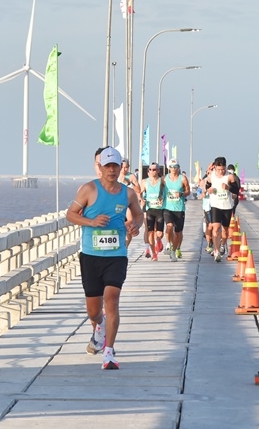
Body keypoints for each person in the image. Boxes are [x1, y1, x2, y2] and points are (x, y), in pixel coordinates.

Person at [67, 146, 143, 370]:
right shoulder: (89, 189)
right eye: (107, 166)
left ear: (121, 168)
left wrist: (135, 225)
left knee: (112, 298)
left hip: (116, 254)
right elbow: (70, 214)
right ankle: (99, 326)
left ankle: (108, 351)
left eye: (115, 166)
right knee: (93, 310)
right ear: (100, 167)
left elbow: (138, 214)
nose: (111, 170)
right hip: (91, 255)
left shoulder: (127, 193)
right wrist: (91, 222)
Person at [204, 157, 240, 262]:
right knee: (216, 228)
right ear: (215, 167)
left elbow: (237, 190)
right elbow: (207, 187)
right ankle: (216, 250)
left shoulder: (230, 177)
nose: (221, 171)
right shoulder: (211, 177)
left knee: (225, 230)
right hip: (215, 205)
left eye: (223, 169)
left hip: (227, 206)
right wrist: (209, 190)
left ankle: (223, 245)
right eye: (219, 169)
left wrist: (229, 188)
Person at [163, 158, 191, 260]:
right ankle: (168, 244)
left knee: (178, 233)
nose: (173, 169)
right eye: (171, 167)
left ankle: (174, 251)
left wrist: (182, 194)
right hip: (167, 207)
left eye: (175, 167)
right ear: (168, 168)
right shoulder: (165, 179)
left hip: (179, 208)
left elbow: (188, 191)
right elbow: (160, 190)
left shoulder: (183, 178)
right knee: (169, 226)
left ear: (178, 168)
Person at [139, 162, 166, 260]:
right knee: (149, 231)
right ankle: (153, 253)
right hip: (149, 209)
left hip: (160, 209)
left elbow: (166, 192)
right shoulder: (144, 182)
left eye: (154, 169)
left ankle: (158, 241)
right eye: (150, 169)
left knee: (159, 233)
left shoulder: (162, 180)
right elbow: (140, 192)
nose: (152, 171)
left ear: (158, 170)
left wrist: (163, 199)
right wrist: (141, 199)